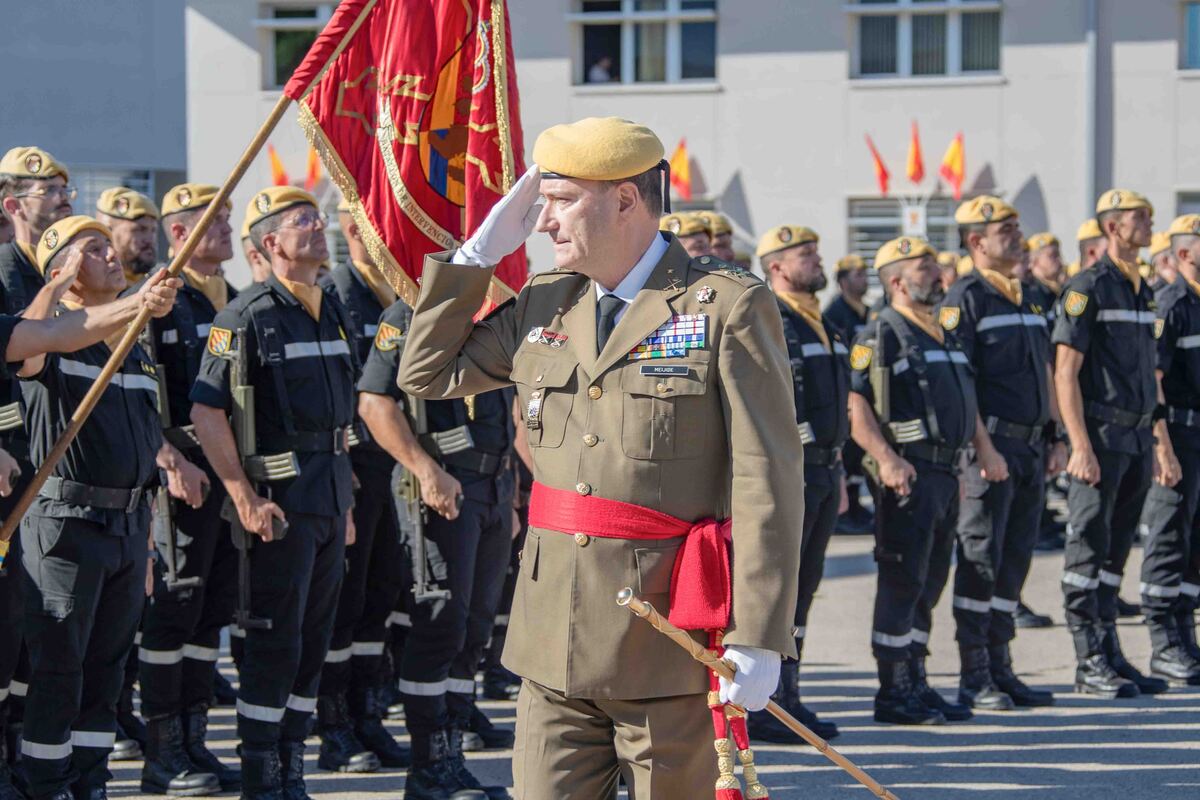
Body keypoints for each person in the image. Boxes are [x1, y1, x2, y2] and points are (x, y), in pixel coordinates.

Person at [397, 116, 804, 798]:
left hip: (669, 640)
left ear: (624, 200)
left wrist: (759, 633)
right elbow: (426, 374)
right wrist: (474, 258)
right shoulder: (545, 303)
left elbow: (767, 474)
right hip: (552, 636)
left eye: (559, 200)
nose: (543, 222)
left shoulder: (725, 305)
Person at [190, 187, 358, 800]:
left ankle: (292, 769)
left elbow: (342, 418)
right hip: (277, 509)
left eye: (317, 218)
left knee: (313, 642)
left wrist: (348, 503)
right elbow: (208, 413)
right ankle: (261, 776)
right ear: (270, 244)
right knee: (273, 643)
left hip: (329, 500)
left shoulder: (331, 307)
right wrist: (242, 496)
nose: (317, 227)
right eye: (301, 221)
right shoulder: (243, 317)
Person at [17, 215, 182, 800]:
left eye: (108, 247)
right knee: (58, 674)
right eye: (94, 249)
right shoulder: (52, 338)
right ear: (63, 268)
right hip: (65, 528)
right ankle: (44, 786)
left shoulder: (133, 352)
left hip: (125, 526)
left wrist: (146, 545)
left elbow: (142, 449)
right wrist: (52, 286)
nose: (111, 255)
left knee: (106, 675)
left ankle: (90, 783)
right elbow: (21, 346)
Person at [358, 302, 515, 799]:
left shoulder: (495, 310)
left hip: (492, 487)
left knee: (473, 632)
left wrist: (508, 490)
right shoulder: (410, 313)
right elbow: (374, 403)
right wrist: (426, 471)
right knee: (439, 628)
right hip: (442, 484)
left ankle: (451, 757)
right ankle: (426, 769)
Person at [136, 183, 242, 796]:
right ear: (180, 234)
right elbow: (135, 389)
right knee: (172, 613)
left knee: (210, 614)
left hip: (227, 472)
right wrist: (168, 456)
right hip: (182, 478)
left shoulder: (233, 301)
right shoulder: (157, 300)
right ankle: (161, 751)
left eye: (229, 217)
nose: (226, 228)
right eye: (214, 220)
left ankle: (196, 741)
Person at [940, 197, 1063, 711]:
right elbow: (959, 384)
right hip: (989, 449)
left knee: (1014, 561)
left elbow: (1048, 371)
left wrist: (1056, 437)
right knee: (981, 561)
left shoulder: (1030, 295)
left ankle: (1002, 665)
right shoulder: (964, 298)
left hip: (1032, 446)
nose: (1017, 236)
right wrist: (984, 448)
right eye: (1005, 230)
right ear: (976, 242)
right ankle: (975, 674)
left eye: (1016, 227)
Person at [848, 236, 976, 726]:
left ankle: (916, 680)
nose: (937, 271)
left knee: (930, 581)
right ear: (897, 281)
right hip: (907, 475)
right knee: (903, 581)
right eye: (924, 267)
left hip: (943, 473)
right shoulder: (879, 333)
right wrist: (885, 459)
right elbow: (855, 404)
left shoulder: (943, 332)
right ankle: (893, 692)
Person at [1053, 188, 1171, 698]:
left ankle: (1111, 652)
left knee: (1116, 553)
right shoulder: (1089, 286)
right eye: (1137, 218)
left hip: (1136, 435)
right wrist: (1079, 445)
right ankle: (1088, 662)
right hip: (1100, 436)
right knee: (1088, 549)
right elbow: (1065, 372)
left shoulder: (1141, 288)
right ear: (1111, 229)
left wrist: (1157, 439)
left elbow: (1151, 372)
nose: (1147, 224)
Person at [316, 198, 410, 772]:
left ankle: (369, 712)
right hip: (352, 468)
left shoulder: (398, 295)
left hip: (392, 470)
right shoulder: (335, 295)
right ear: (354, 230)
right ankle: (334, 727)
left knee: (382, 596)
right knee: (344, 605)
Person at [752, 224, 847, 744]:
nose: (815, 260)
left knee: (803, 591)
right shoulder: (773, 318)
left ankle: (790, 696)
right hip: (791, 474)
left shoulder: (822, 321)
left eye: (814, 251)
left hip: (825, 472)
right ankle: (766, 703)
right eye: (803, 254)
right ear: (777, 267)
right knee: (778, 592)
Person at [1136, 213, 1200, 686]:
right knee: (1169, 536)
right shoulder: (1172, 302)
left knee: (1195, 542)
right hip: (1177, 433)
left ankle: (1185, 635)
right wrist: (1163, 447)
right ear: (1184, 255)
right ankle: (1163, 643)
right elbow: (1153, 380)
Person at [96, 188, 159, 285]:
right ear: (108, 232)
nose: (150, 240)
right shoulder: (93, 286)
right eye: (140, 229)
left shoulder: (156, 282)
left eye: (153, 230)